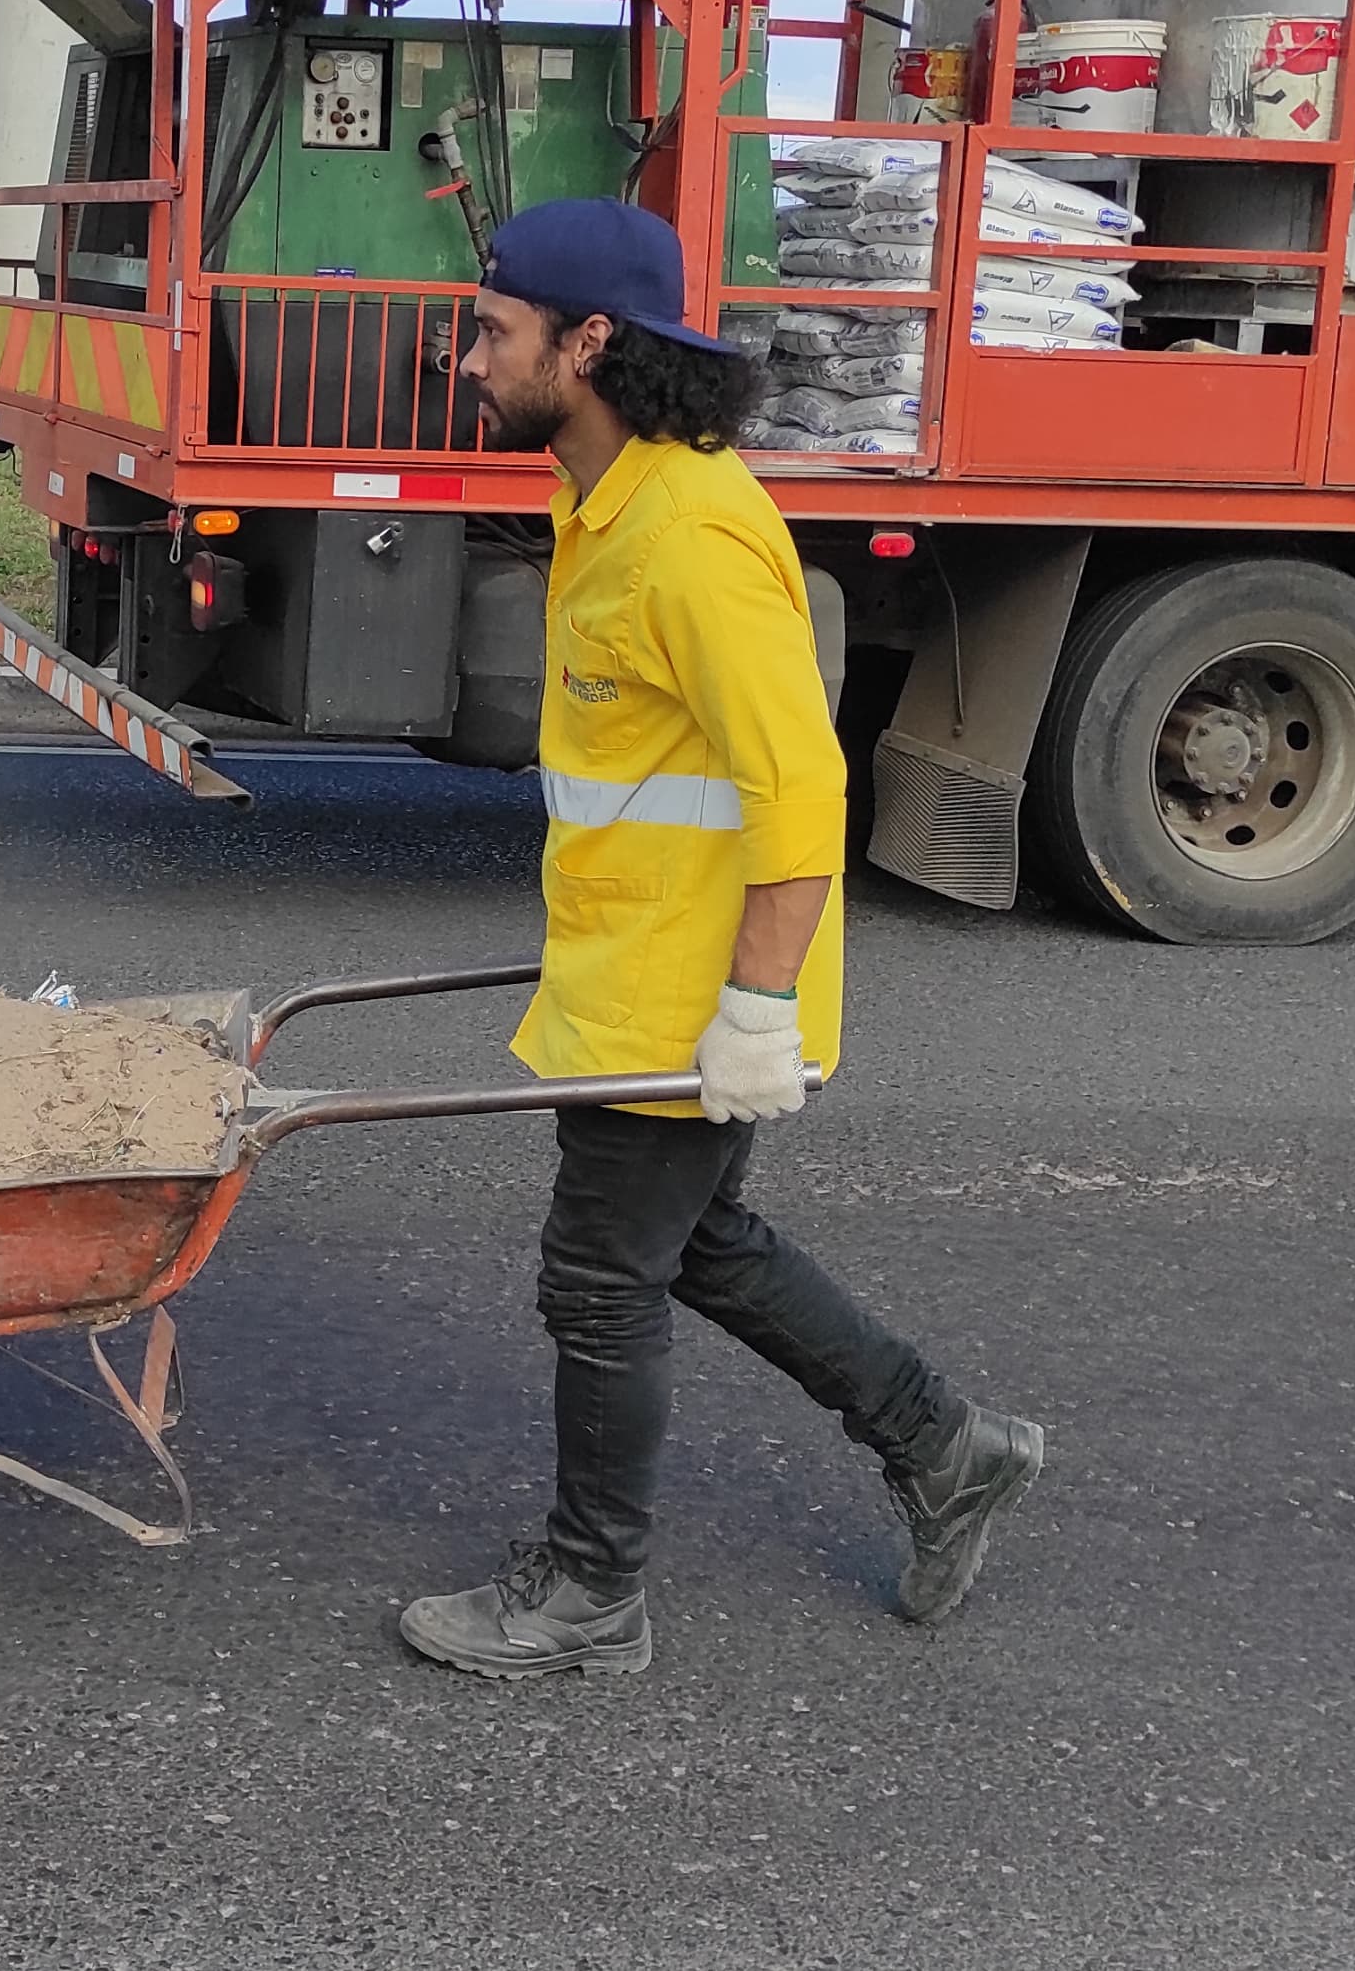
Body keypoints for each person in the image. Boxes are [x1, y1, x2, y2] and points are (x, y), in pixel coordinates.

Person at [393, 197, 1046, 1681]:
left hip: (689, 993)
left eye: (493, 333)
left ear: (588, 343)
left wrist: (754, 1007)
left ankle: (590, 1594)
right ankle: (945, 1446)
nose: (469, 360)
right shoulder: (605, 499)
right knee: (700, 1248)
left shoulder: (690, 536)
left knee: (598, 1280)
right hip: (634, 964)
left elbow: (800, 786)